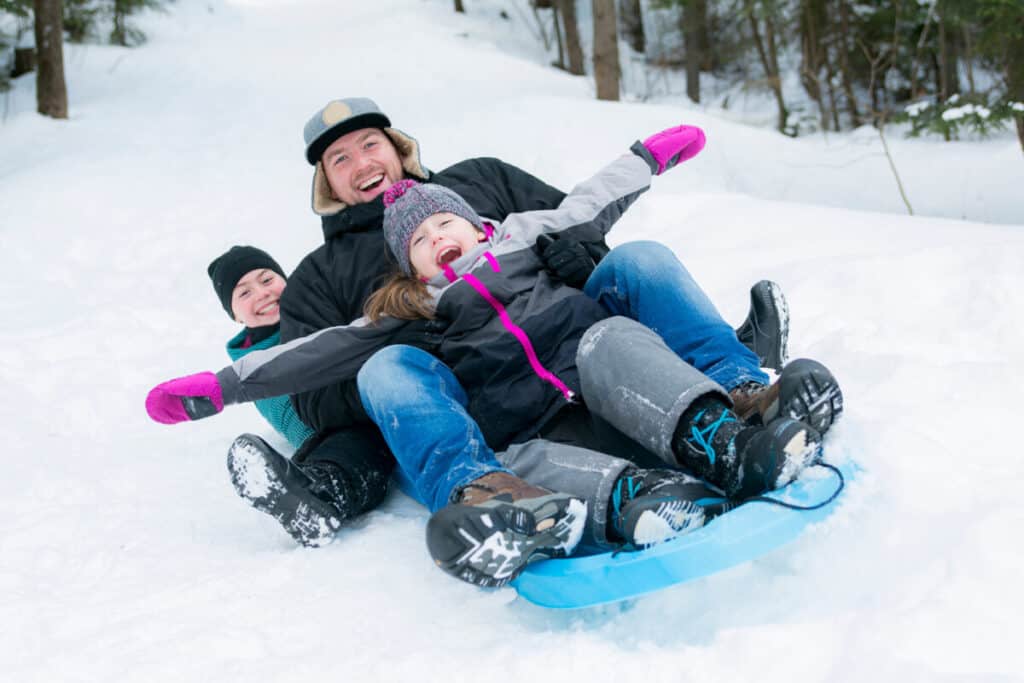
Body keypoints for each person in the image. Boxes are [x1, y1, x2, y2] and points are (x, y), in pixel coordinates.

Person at [146, 123, 840, 586]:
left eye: (367, 145)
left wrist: (647, 158)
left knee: (627, 291)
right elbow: (313, 361)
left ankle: (734, 413)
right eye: (339, 158)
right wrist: (222, 385)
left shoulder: (504, 214)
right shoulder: (356, 289)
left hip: (611, 372)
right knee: (421, 389)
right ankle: (604, 502)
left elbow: (588, 204)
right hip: (512, 415)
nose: (437, 237)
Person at [205, 246, 392, 547]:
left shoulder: (319, 312)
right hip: (337, 428)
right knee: (357, 449)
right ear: (235, 316)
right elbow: (300, 419)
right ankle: (318, 495)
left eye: (267, 280)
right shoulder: (250, 364)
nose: (262, 293)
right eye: (244, 293)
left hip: (377, 391)